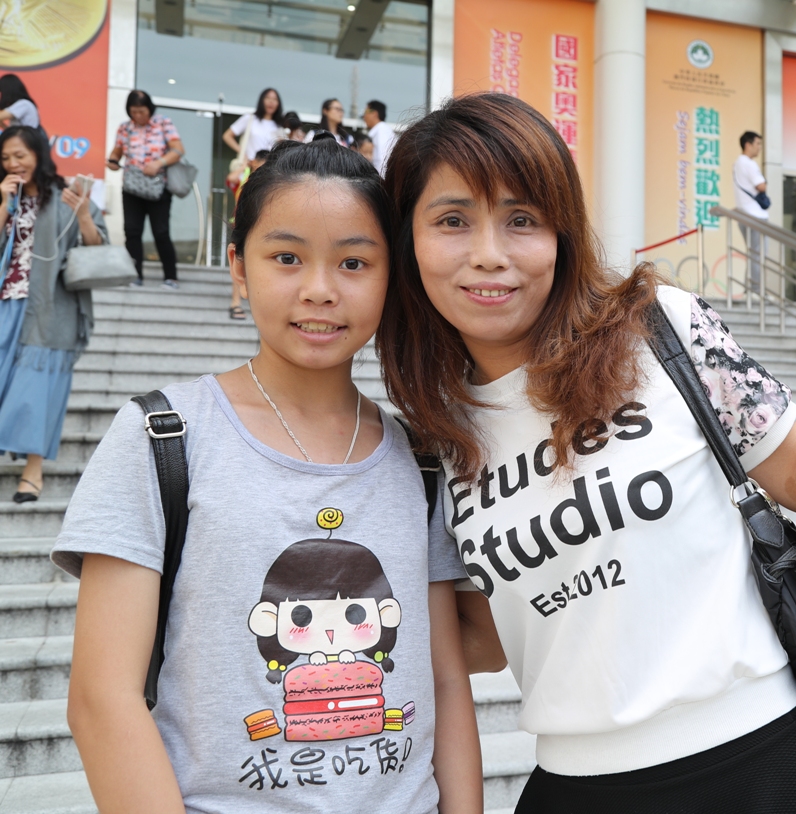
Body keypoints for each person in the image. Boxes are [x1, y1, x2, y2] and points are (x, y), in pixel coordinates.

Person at [376, 93, 796, 813]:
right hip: (577, 789)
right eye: (452, 221)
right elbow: (483, 638)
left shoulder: (657, 330)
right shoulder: (432, 436)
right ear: (408, 242)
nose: (489, 254)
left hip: (766, 767)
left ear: (562, 232)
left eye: (522, 219)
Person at [53, 138, 483, 813]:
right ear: (239, 266)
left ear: (391, 276)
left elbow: (446, 681)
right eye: (287, 258)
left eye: (354, 262)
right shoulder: (163, 436)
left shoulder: (420, 458)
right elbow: (101, 698)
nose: (320, 289)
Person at [0, 126, 106, 503]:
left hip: (50, 308)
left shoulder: (66, 195)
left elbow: (97, 247)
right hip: (7, 303)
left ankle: (33, 470)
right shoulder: (6, 196)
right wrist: (3, 205)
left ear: (39, 155)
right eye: (6, 158)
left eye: (20, 155)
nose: (13, 164)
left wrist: (83, 215)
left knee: (37, 389)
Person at [106, 90, 185, 289]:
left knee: (161, 232)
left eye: (142, 111)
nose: (138, 115)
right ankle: (134, 275)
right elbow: (117, 151)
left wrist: (158, 163)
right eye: (134, 112)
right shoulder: (125, 128)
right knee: (132, 231)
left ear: (149, 109)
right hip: (132, 188)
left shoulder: (163, 123)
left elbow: (178, 150)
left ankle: (171, 277)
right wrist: (113, 161)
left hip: (158, 187)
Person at [226, 148, 271, 319]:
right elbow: (231, 179)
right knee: (239, 261)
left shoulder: (271, 180)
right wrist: (244, 166)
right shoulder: (243, 176)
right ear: (254, 162)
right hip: (241, 226)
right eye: (261, 164)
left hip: (264, 228)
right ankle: (235, 303)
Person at [223, 88, 284, 183]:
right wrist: (243, 153)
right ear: (261, 100)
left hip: (269, 172)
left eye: (275, 99)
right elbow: (227, 136)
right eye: (268, 98)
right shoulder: (250, 119)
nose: (271, 102)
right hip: (248, 168)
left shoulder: (279, 127)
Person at [733, 130, 767, 296]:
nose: (759, 147)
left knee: (753, 253)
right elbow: (761, 186)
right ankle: (756, 290)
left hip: (744, 214)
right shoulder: (749, 163)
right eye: (757, 143)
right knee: (758, 254)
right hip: (755, 216)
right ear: (748, 144)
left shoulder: (737, 163)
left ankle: (751, 288)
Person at [363, 100, 395, 176]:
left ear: (374, 113)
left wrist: (380, 181)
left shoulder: (382, 131)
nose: (364, 116)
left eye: (366, 112)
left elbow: (382, 160)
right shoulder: (382, 130)